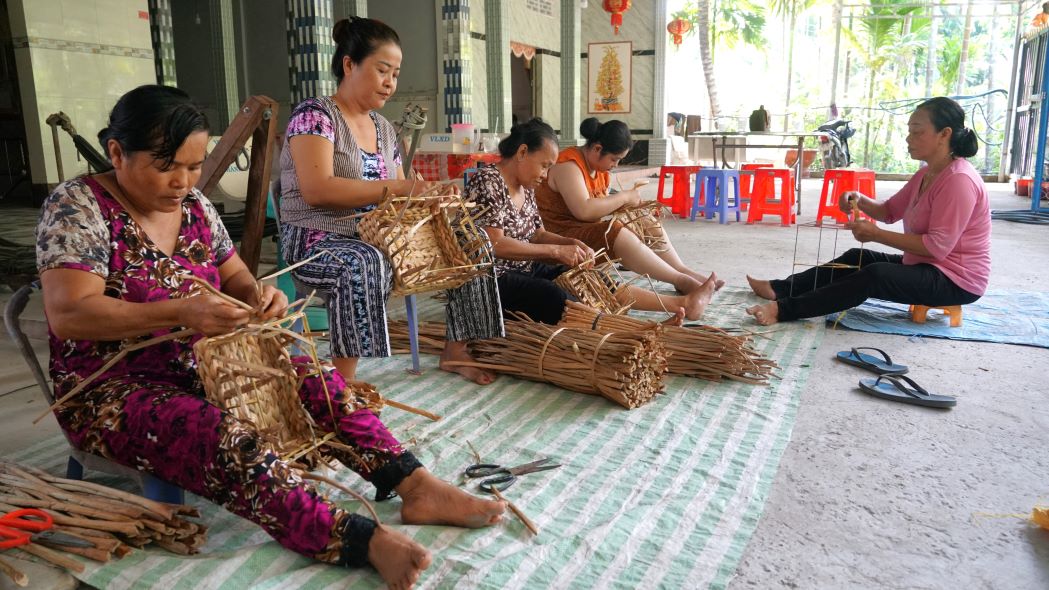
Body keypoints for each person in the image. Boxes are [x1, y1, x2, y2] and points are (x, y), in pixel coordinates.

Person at [36, 84, 504, 589]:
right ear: (116, 153)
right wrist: (183, 313)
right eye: (168, 166)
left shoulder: (193, 206)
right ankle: (353, 537)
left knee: (316, 377)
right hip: (113, 391)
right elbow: (70, 314)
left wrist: (260, 294)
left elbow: (235, 275)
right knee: (226, 436)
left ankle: (414, 483)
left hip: (207, 362)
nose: (184, 181)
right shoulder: (78, 206)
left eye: (194, 167)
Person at [279, 17, 504, 387]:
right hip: (316, 235)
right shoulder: (315, 116)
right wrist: (398, 190)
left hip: (379, 233)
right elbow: (317, 189)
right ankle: (343, 384)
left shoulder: (384, 128)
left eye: (395, 73)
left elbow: (401, 192)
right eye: (382, 70)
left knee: (472, 241)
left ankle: (457, 348)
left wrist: (432, 194)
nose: (390, 82)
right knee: (364, 263)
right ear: (349, 64)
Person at [745, 97, 990, 326]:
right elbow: (889, 211)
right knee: (857, 257)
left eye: (917, 131)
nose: (908, 138)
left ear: (944, 134)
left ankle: (784, 309)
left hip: (956, 280)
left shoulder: (959, 180)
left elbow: (937, 247)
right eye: (909, 131)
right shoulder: (927, 173)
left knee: (876, 274)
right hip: (927, 266)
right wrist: (858, 199)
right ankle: (781, 288)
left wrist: (876, 234)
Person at [466, 118, 716, 325]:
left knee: (590, 279)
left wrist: (570, 243)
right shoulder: (488, 182)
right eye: (544, 166)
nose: (545, 174)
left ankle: (682, 304)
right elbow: (494, 244)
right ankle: (633, 331)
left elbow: (538, 234)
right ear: (522, 152)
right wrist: (556, 250)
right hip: (491, 279)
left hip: (525, 267)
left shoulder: (526, 186)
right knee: (556, 296)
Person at [534, 117, 721, 296]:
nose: (616, 165)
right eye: (614, 159)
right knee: (614, 232)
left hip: (580, 230)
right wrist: (624, 197)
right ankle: (680, 281)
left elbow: (600, 207)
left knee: (644, 221)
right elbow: (584, 210)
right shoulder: (569, 165)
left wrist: (631, 207)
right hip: (559, 235)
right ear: (598, 149)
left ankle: (683, 271)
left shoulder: (600, 170)